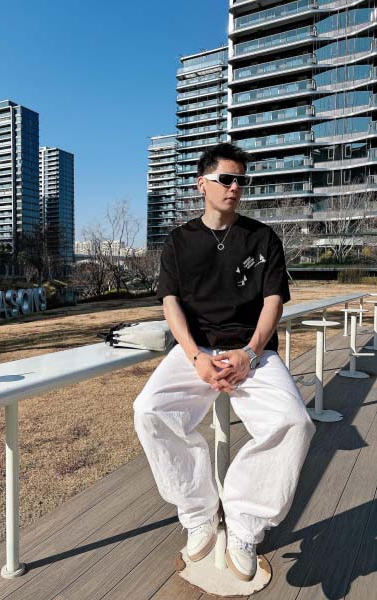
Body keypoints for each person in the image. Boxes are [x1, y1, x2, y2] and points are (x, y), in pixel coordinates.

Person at [133, 142, 316, 582]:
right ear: (202, 184)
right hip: (196, 351)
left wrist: (250, 353)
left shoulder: (262, 238)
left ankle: (244, 524)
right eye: (226, 179)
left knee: (295, 422)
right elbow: (170, 303)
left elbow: (274, 302)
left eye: (240, 181)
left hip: (253, 353)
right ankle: (198, 512)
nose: (235, 187)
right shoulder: (179, 241)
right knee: (150, 411)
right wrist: (195, 355)